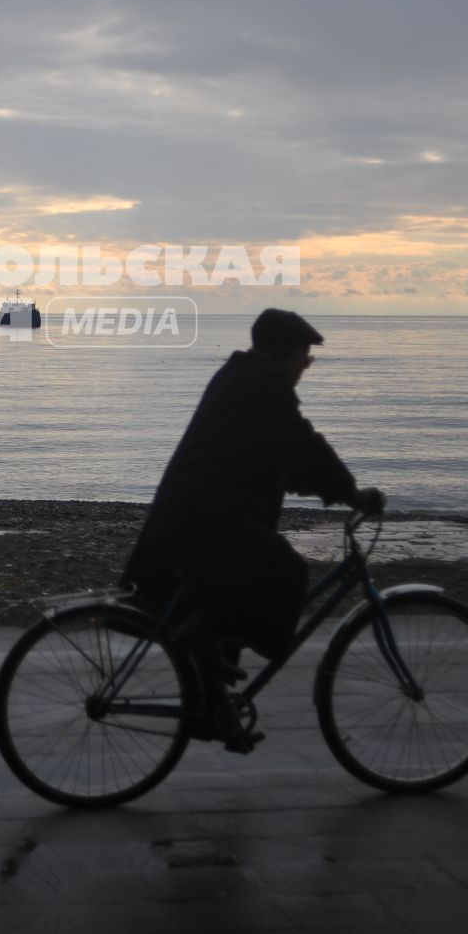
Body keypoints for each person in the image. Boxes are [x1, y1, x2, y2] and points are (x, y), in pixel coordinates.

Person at [121, 307, 384, 746]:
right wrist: (354, 494)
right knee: (287, 573)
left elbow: (284, 460)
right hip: (199, 523)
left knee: (231, 597)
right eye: (306, 357)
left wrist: (330, 488)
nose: (307, 367)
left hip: (189, 518)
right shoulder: (266, 388)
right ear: (288, 354)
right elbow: (304, 446)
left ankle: (211, 712)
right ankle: (199, 639)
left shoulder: (242, 378)